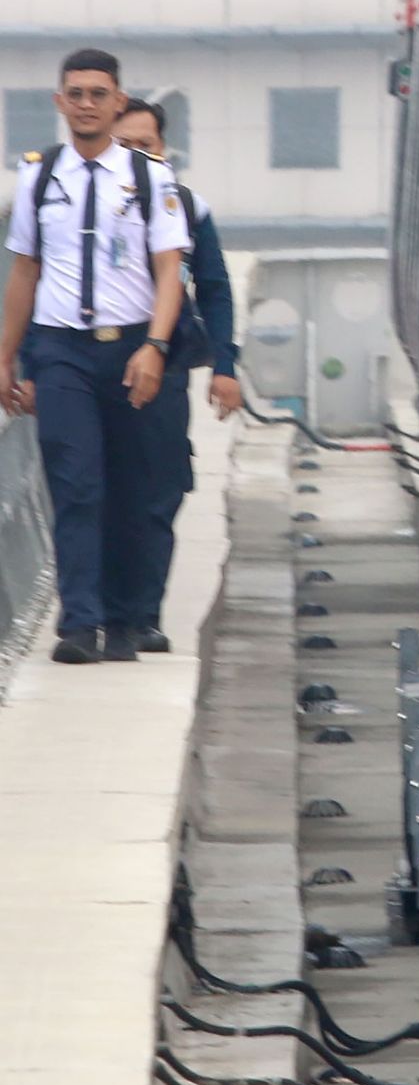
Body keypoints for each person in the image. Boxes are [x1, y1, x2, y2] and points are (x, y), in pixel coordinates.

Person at [0, 48, 188, 663]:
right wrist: (6, 359)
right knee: (76, 484)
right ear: (60, 102)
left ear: (117, 101)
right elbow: (24, 271)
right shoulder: (39, 176)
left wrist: (156, 347)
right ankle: (79, 622)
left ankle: (130, 620)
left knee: (132, 489)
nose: (86, 104)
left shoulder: (148, 178)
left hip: (130, 346)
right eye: (75, 94)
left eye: (97, 94)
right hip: (61, 354)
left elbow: (168, 270)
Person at [115, 97, 242, 653]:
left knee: (160, 492)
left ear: (165, 152)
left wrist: (225, 367)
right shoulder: (79, 213)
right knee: (100, 491)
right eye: (127, 147)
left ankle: (145, 615)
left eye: (148, 146)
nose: (139, 157)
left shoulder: (189, 209)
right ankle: (98, 612)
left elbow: (214, 290)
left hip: (164, 373)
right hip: (96, 369)